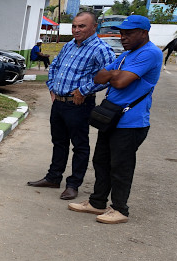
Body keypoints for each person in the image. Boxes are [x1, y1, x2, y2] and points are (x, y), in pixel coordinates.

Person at [68, 14, 161, 224]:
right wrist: (114, 74)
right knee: (101, 161)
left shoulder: (150, 53)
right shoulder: (128, 54)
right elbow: (98, 76)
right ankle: (97, 202)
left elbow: (120, 83)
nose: (123, 37)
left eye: (129, 33)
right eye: (121, 33)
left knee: (121, 166)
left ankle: (120, 209)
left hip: (132, 122)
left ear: (144, 33)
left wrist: (114, 75)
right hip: (112, 118)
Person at [27, 11, 114, 201]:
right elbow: (55, 66)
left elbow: (111, 75)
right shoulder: (69, 46)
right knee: (58, 142)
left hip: (79, 105)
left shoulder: (100, 49)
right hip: (59, 103)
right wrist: (51, 87)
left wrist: (84, 90)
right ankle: (53, 177)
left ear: (94, 27)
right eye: (74, 26)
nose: (76, 30)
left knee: (79, 145)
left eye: (81, 26)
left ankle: (73, 184)